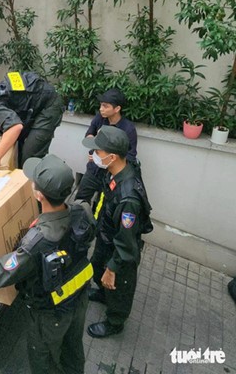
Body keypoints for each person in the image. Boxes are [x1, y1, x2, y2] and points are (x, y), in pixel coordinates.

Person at [0, 155, 96, 374]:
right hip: (79, 300)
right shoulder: (82, 210)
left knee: (44, 363)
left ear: (38, 194)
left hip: (50, 316)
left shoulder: (36, 242)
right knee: (73, 351)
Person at [78, 126, 152, 339]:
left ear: (112, 157)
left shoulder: (128, 198)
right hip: (106, 237)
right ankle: (102, 293)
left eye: (98, 152)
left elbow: (127, 242)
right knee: (98, 266)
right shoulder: (114, 172)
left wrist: (113, 268)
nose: (94, 155)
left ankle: (114, 322)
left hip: (121, 250)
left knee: (119, 287)